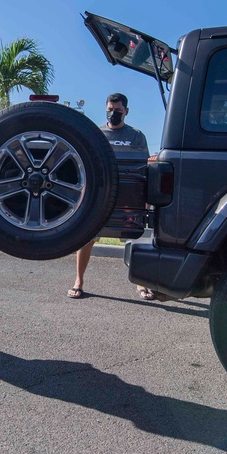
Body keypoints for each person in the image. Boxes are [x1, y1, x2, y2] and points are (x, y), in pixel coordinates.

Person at [69, 92, 152, 300]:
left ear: (126, 112)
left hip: (128, 197)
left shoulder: (136, 136)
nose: (113, 113)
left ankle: (141, 283)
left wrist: (147, 199)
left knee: (134, 239)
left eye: (117, 111)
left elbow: (145, 168)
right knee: (86, 239)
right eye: (110, 109)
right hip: (100, 195)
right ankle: (78, 281)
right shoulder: (96, 133)